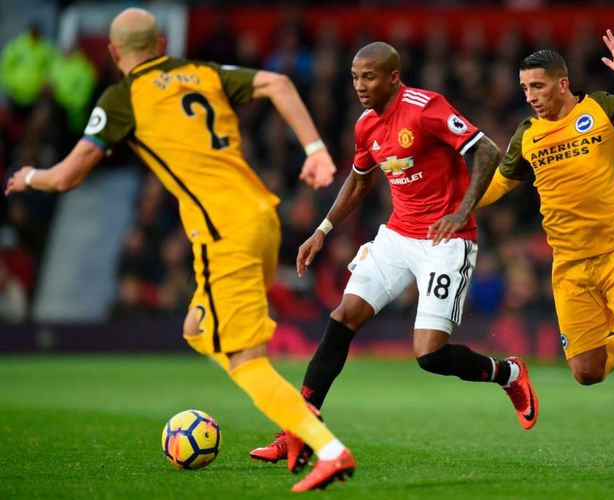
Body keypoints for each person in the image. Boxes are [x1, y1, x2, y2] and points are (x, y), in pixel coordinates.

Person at [5, 7, 354, 492]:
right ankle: (294, 418)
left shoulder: (123, 95)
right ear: (162, 44)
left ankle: (326, 447)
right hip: (261, 214)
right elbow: (276, 83)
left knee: (246, 362)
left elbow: (66, 176)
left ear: (113, 53)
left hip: (222, 231)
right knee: (195, 328)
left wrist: (28, 177)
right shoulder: (199, 71)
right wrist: (314, 148)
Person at [251, 41, 539, 465]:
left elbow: (488, 151)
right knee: (342, 317)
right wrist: (323, 229)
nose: (360, 86)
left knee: (430, 355)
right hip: (398, 236)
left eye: (368, 77)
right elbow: (359, 179)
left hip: (446, 241)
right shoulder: (366, 125)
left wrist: (461, 212)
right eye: (354, 77)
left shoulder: (426, 108)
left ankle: (508, 373)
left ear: (393, 77)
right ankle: (297, 429)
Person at [478, 29, 614, 466]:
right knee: (586, 372)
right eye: (525, 88)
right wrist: (453, 204)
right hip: (569, 266)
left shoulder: (603, 108)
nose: (530, 96)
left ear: (562, 83)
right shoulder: (527, 135)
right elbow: (500, 182)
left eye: (537, 86)